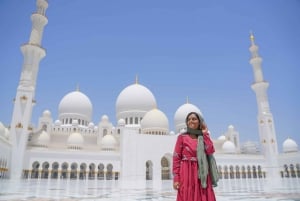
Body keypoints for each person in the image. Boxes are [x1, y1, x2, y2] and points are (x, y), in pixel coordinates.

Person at [172, 112, 219, 201]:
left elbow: (210, 150)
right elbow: (176, 158)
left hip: (202, 173)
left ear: (199, 122)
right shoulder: (182, 137)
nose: (191, 121)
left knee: (203, 195)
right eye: (189, 119)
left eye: (194, 119)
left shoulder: (203, 136)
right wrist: (176, 178)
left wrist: (204, 133)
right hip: (186, 172)